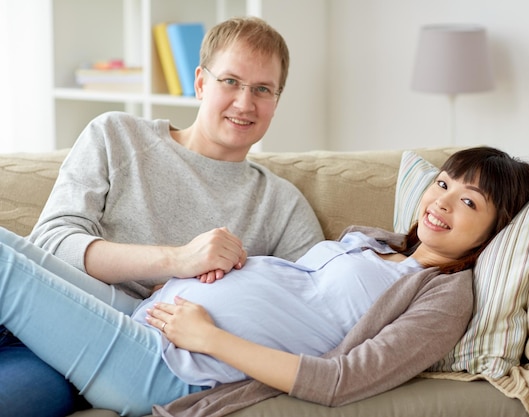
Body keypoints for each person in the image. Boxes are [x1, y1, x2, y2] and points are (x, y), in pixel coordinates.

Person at [0, 147, 529, 417]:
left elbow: (342, 380)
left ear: (497, 229)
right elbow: (297, 290)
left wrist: (211, 337)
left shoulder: (446, 295)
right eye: (443, 183)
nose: (441, 201)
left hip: (168, 365)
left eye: (468, 201)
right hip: (147, 314)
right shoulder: (380, 244)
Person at [0, 16, 324, 417]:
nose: (245, 103)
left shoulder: (281, 204)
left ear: (276, 101)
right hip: (27, 311)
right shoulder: (116, 135)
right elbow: (50, 244)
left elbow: (310, 311)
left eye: (262, 89)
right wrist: (176, 261)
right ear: (201, 83)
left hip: (100, 356)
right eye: (230, 82)